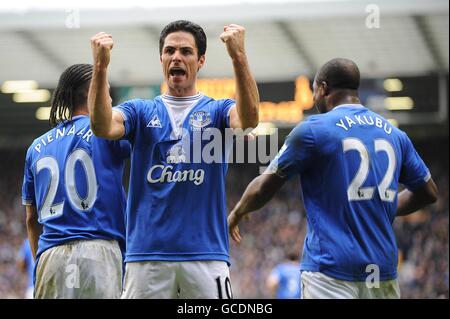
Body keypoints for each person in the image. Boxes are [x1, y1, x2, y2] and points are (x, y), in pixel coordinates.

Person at [228, 58, 438, 299]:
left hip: (330, 271)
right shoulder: (394, 134)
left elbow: (264, 186)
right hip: (382, 270)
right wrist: (385, 206)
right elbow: (428, 192)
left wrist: (236, 212)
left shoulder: (314, 130)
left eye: (314, 90)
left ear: (323, 88)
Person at [88, 20, 259, 298]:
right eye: (169, 51)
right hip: (146, 258)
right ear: (161, 59)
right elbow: (101, 126)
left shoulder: (218, 111)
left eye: (186, 51)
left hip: (206, 256)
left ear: (201, 60)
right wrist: (100, 67)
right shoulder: (140, 111)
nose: (176, 57)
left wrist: (238, 57)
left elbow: (249, 121)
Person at [21, 64, 130, 298]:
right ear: (94, 94)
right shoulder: (106, 134)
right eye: (106, 91)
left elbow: (31, 219)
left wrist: (39, 261)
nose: (109, 98)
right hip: (98, 250)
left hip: (50, 257)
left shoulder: (36, 148)